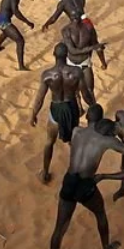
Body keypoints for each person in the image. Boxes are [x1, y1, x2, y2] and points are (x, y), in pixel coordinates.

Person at [47, 111, 124, 249]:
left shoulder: (76, 131)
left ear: (89, 119)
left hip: (69, 182)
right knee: (100, 214)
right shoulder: (107, 140)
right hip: (86, 185)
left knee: (59, 228)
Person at [31, 43, 97, 184]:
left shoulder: (47, 75)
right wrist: (93, 106)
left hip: (56, 109)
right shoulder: (76, 72)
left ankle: (45, 173)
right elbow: (85, 94)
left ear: (54, 55)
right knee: (73, 140)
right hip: (71, 107)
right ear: (67, 55)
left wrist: (33, 114)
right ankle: (78, 172)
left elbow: (39, 99)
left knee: (49, 142)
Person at [0, 0, 46, 70]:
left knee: (6, 33)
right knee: (20, 40)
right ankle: (21, 66)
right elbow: (16, 12)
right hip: (3, 21)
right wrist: (27, 22)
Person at [61, 8, 107, 96]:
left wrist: (95, 47)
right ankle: (91, 107)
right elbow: (96, 45)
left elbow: (73, 50)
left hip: (72, 63)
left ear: (70, 17)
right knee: (89, 90)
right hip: (84, 62)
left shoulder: (66, 30)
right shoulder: (88, 28)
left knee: (77, 91)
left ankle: (81, 108)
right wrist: (103, 62)